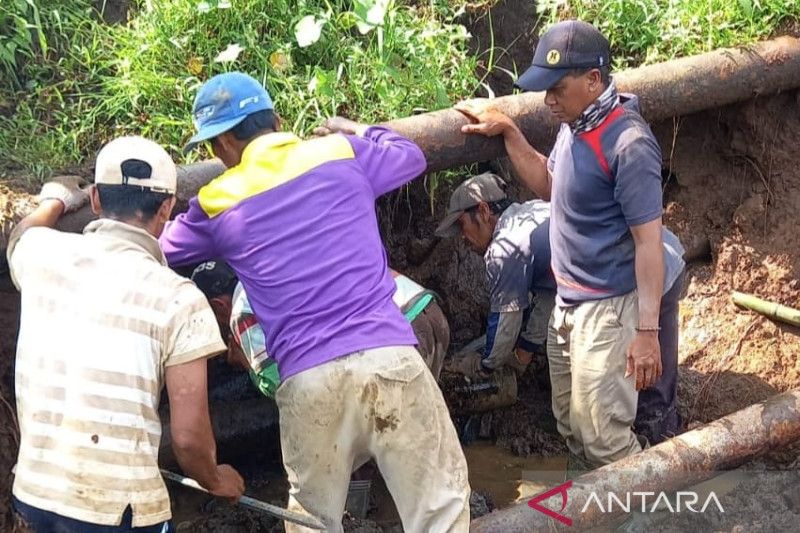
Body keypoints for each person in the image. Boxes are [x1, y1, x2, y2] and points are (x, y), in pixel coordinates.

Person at [159, 72, 470, 532]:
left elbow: (159, 248)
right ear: (276, 120)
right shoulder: (339, 152)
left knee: (311, 521)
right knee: (439, 510)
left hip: (307, 379)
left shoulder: (216, 200)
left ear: (223, 143)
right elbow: (410, 156)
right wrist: (356, 128)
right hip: (389, 355)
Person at [456, 21, 681, 467]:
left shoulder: (628, 144)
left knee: (605, 439)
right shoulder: (575, 126)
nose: (548, 100)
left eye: (556, 88)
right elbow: (550, 184)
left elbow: (649, 243)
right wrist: (510, 133)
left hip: (611, 306)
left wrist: (648, 332)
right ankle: (595, 513)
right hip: (568, 302)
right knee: (571, 426)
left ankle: (650, 516)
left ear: (593, 80)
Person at [6, 137, 243, 532]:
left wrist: (57, 201)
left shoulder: (38, 254)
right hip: (120, 511)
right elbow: (187, 440)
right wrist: (216, 479)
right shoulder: (180, 298)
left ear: (97, 199)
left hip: (33, 498)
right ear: (167, 208)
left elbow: (19, 236)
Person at [190, 261, 450, 390]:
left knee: (390, 437)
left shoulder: (240, 310)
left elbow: (278, 385)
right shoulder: (270, 272)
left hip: (398, 330)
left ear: (217, 306)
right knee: (418, 422)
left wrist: (246, 363)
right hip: (423, 307)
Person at [435, 172, 555, 385]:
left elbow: (506, 323)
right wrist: (524, 352)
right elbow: (550, 291)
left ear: (483, 211)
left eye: (463, 225)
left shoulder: (504, 250)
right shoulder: (531, 211)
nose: (463, 237)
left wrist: (485, 366)